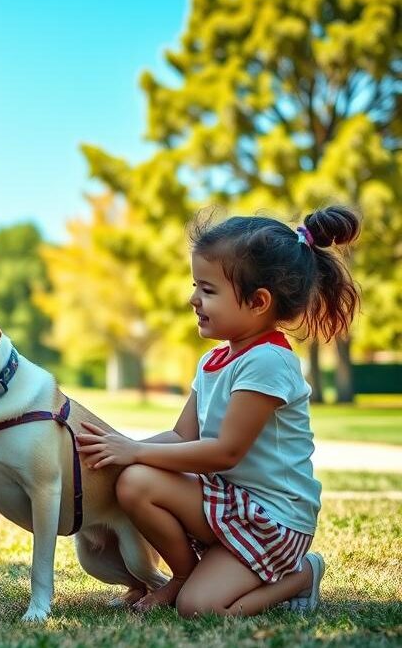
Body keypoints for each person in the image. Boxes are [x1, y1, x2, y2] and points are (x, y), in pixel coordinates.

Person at [76, 206, 362, 616]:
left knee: (200, 609)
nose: (193, 298)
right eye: (196, 285)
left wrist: (134, 451)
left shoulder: (268, 361)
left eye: (208, 290)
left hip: (271, 520)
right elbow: (181, 437)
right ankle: (182, 575)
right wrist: (119, 448)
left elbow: (225, 452)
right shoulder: (215, 360)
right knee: (135, 481)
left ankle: (300, 575)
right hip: (228, 504)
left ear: (259, 301)